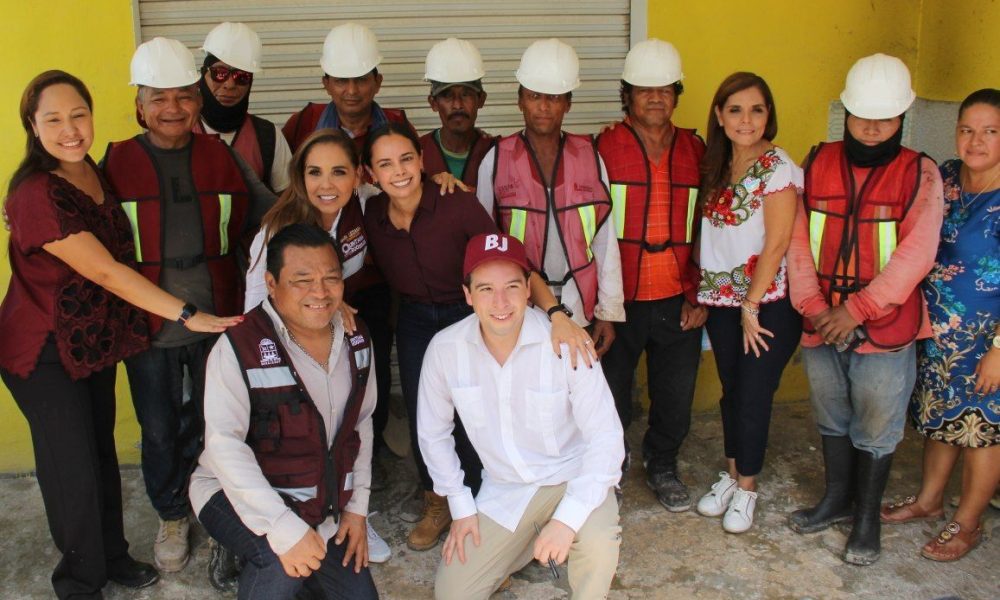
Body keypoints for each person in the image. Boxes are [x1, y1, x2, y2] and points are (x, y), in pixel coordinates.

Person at [0, 70, 238, 599]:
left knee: (101, 456)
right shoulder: (36, 192)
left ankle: (112, 557)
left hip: (92, 341)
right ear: (32, 127)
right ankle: (79, 583)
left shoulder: (90, 169)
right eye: (54, 119)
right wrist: (186, 314)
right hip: (43, 348)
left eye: (78, 114)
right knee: (72, 472)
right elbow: (107, 271)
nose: (70, 128)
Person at [361, 123, 595, 552]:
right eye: (385, 164)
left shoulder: (456, 204)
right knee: (424, 414)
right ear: (370, 173)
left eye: (407, 159)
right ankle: (439, 500)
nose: (399, 171)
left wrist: (557, 314)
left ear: (423, 160)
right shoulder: (371, 215)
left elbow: (512, 266)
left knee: (480, 410)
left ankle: (483, 505)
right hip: (415, 319)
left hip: (468, 311)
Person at [100, 37, 276, 573]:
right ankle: (173, 513)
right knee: (157, 428)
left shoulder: (220, 156)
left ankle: (221, 511)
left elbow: (268, 211)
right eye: (158, 98)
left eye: (182, 96)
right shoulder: (115, 161)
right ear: (139, 105)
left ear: (198, 101)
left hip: (217, 320)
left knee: (216, 424)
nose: (172, 109)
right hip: (147, 326)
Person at [786, 53, 943, 566]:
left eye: (886, 117)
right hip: (820, 321)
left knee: (877, 422)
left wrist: (858, 309)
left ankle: (867, 516)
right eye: (862, 115)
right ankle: (836, 500)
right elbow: (796, 241)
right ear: (845, 112)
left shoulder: (920, 174)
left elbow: (914, 254)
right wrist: (813, 306)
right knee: (832, 415)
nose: (872, 127)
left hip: (883, 326)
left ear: (903, 117)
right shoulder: (817, 161)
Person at [418, 233, 623, 600]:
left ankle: (564, 528)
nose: (500, 302)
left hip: (572, 477)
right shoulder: (445, 349)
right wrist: (461, 505)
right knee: (454, 593)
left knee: (596, 550)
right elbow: (433, 434)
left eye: (512, 286)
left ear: (529, 289)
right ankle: (527, 540)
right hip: (506, 488)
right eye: (485, 289)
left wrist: (566, 520)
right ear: (467, 295)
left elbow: (606, 439)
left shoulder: (567, 342)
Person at [189, 223, 379, 600]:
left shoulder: (357, 339)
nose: (320, 293)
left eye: (331, 278)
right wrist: (282, 529)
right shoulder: (239, 346)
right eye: (302, 280)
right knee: (280, 563)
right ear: (271, 284)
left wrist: (357, 508)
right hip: (228, 490)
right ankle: (248, 547)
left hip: (315, 500)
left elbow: (361, 423)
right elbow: (224, 446)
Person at [242, 128, 395, 573]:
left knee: (347, 429)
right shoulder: (279, 227)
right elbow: (256, 301)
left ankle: (350, 517)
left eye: (338, 172)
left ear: (357, 177)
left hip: (334, 344)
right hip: (286, 345)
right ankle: (270, 527)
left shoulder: (361, 205)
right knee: (301, 438)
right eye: (314, 172)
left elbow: (407, 184)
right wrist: (321, 302)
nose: (326, 184)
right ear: (299, 176)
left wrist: (448, 182)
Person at [881, 88, 1000, 562]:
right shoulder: (946, 177)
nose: (975, 140)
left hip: (985, 342)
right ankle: (930, 501)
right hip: (936, 334)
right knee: (939, 421)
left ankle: (968, 523)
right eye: (967, 129)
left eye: (990, 131)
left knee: (981, 432)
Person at [596, 38, 707, 511]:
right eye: (644, 89)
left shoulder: (697, 150)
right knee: (611, 396)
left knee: (675, 396)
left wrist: (700, 293)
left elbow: (710, 226)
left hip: (677, 293)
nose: (655, 97)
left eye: (665, 88)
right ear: (627, 95)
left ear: (677, 94)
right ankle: (609, 470)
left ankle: (662, 464)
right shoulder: (601, 148)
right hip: (620, 297)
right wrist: (600, 302)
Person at [693, 72, 802, 533]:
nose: (746, 119)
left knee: (755, 394)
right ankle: (732, 474)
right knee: (732, 389)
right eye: (735, 109)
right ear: (719, 115)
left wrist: (752, 306)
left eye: (757, 109)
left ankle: (748, 490)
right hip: (721, 301)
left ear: (768, 115)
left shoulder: (778, 166)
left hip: (766, 304)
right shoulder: (715, 164)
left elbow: (777, 242)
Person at [477, 38, 625, 354]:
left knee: (575, 396)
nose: (544, 106)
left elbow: (604, 240)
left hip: (580, 305)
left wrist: (607, 313)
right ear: (520, 100)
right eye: (534, 96)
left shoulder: (590, 156)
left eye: (554, 98)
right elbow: (484, 245)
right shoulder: (496, 160)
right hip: (518, 310)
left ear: (568, 103)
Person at [282, 22, 416, 157]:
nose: (352, 91)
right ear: (326, 84)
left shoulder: (399, 126)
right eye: (341, 81)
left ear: (377, 82)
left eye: (361, 79)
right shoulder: (303, 123)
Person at [194, 22, 292, 193]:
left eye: (241, 76)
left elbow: (287, 205)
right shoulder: (179, 131)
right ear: (203, 75)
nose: (230, 84)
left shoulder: (268, 136)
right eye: (220, 73)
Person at [420, 38, 494, 189]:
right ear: (433, 103)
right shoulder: (417, 153)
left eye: (466, 94)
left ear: (481, 99)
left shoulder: (497, 152)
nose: (457, 105)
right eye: (447, 95)